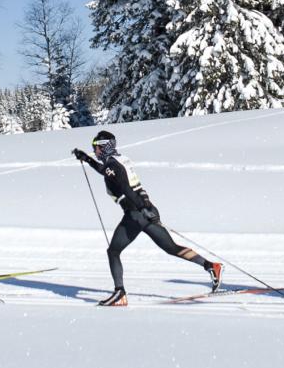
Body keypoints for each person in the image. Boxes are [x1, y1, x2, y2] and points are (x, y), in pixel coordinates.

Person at [73, 131, 223, 306]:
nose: (95, 151)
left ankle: (119, 293)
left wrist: (142, 209)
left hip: (135, 214)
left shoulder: (113, 166)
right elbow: (105, 171)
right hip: (145, 210)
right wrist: (85, 158)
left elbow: (126, 189)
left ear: (104, 147)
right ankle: (211, 266)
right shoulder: (118, 161)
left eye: (96, 147)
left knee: (113, 251)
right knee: (172, 248)